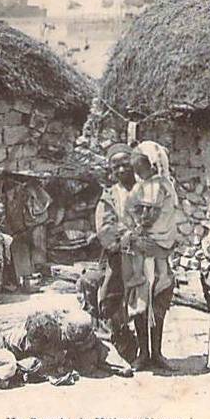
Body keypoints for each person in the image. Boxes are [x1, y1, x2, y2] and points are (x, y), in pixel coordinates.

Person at [124, 140, 180, 371]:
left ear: (149, 163)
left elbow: (149, 217)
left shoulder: (157, 185)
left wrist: (137, 230)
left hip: (156, 251)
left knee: (157, 303)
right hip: (147, 252)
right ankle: (144, 353)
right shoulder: (146, 185)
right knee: (141, 303)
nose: (135, 167)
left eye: (138, 163)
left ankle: (155, 353)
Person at [94, 143, 138, 362]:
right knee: (111, 297)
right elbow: (105, 227)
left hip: (145, 256)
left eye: (125, 164)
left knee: (147, 301)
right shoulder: (110, 196)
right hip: (119, 256)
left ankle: (151, 352)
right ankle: (122, 341)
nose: (121, 170)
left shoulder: (147, 190)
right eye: (116, 167)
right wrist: (128, 235)